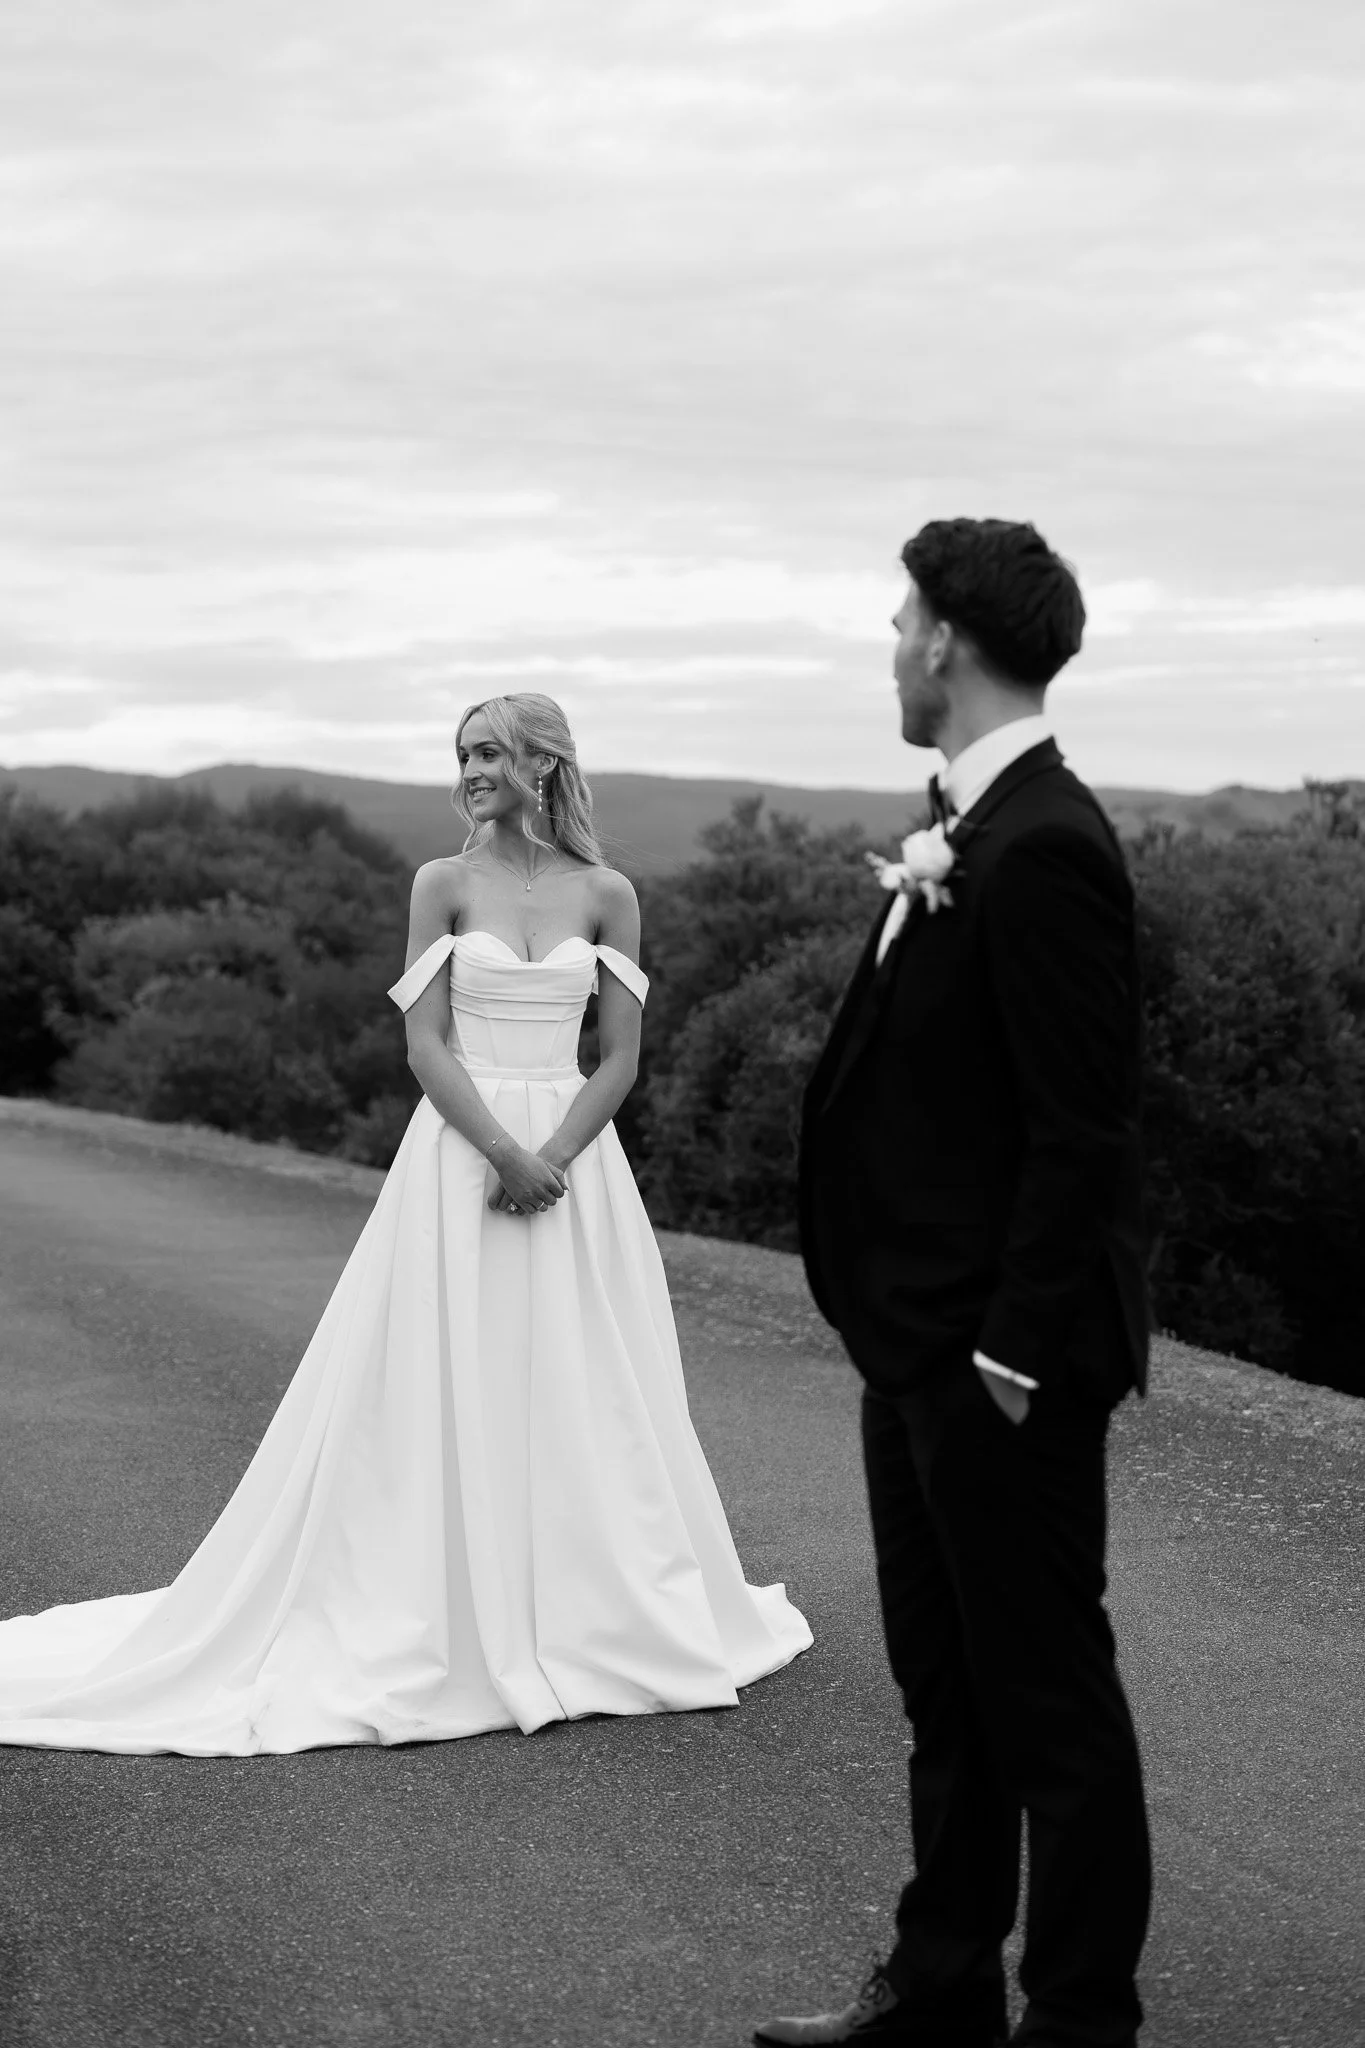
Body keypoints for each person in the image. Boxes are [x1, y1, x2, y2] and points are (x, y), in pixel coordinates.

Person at [0, 691, 811, 1754]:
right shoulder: (441, 882)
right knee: (450, 1369)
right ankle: (446, 1605)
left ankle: (597, 1604)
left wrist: (552, 1157)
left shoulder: (611, 894)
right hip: (460, 1150)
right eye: (463, 753)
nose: (470, 769)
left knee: (587, 1378)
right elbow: (426, 1045)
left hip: (576, 1162)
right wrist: (503, 1152)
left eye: (489, 752)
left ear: (543, 763)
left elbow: (619, 1055)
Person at [756, 522, 1151, 2048]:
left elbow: (1085, 1128)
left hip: (1001, 1362)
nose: (888, 638)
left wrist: (1010, 1353)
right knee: (947, 1686)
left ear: (947, 644)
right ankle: (938, 1988)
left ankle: (1077, 2016)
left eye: (901, 616)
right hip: (916, 1347)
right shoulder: (962, 831)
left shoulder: (1043, 844)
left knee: (1048, 1699)